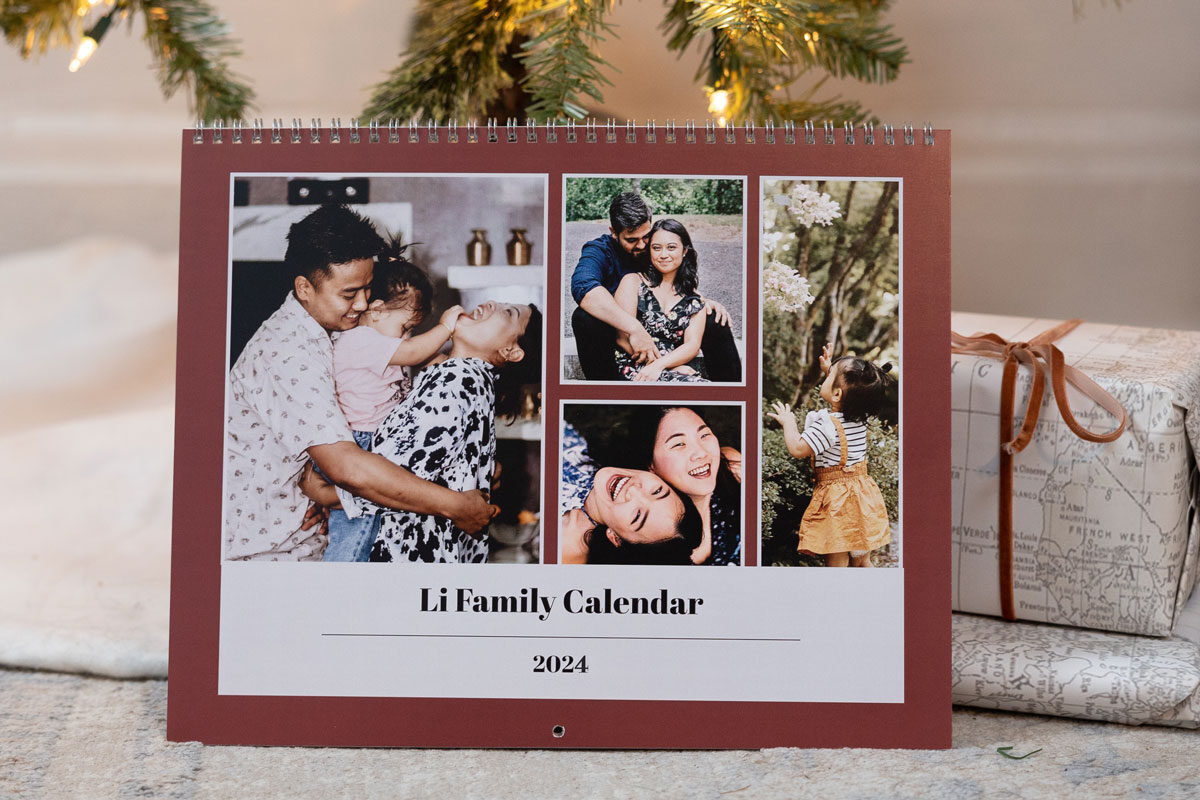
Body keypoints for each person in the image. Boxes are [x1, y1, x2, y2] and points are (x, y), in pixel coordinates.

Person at [223, 204, 494, 561]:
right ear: (304, 288)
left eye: (367, 289)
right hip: (266, 559)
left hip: (297, 544)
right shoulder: (289, 352)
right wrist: (456, 507)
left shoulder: (329, 333)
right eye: (349, 294)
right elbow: (348, 468)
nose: (364, 303)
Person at [304, 300, 543, 563]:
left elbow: (394, 474)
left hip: (401, 554)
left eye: (509, 313)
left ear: (511, 350)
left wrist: (326, 495)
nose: (492, 304)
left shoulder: (457, 379)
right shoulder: (473, 381)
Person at [320, 242, 465, 562]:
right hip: (361, 441)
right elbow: (413, 354)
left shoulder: (382, 340)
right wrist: (444, 328)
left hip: (377, 439)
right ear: (378, 310)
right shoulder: (361, 340)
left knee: (378, 517)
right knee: (360, 523)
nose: (407, 338)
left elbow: (409, 369)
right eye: (406, 328)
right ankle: (338, 574)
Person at [569, 191, 742, 382]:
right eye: (632, 240)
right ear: (614, 232)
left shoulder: (654, 246)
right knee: (584, 318)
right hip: (621, 332)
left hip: (661, 330)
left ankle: (732, 398)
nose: (643, 245)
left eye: (646, 236)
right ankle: (607, 398)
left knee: (714, 317)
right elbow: (583, 287)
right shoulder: (600, 251)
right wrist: (634, 328)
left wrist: (699, 300)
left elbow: (671, 280)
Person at [766, 345, 893, 567]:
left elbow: (797, 449)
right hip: (862, 498)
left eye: (830, 376)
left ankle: (839, 600)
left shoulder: (826, 426)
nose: (826, 378)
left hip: (838, 505)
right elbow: (845, 396)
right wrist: (830, 372)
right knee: (862, 562)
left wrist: (789, 422)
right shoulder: (857, 417)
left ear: (836, 393)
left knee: (836, 566)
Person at [559, 423, 703, 565]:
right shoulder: (606, 460)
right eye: (657, 491)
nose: (633, 490)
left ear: (616, 538)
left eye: (637, 516)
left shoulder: (561, 547)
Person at [630, 406, 742, 565]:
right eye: (678, 444)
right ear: (651, 465)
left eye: (704, 434)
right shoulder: (648, 539)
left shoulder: (734, 469)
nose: (701, 453)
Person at [612, 219, 709, 383]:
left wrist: (662, 365)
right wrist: (661, 366)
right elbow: (622, 338)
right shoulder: (632, 282)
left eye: (671, 247)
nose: (663, 255)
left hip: (668, 366)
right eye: (656, 248)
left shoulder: (694, 299)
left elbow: (692, 345)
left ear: (685, 250)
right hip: (634, 367)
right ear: (649, 251)